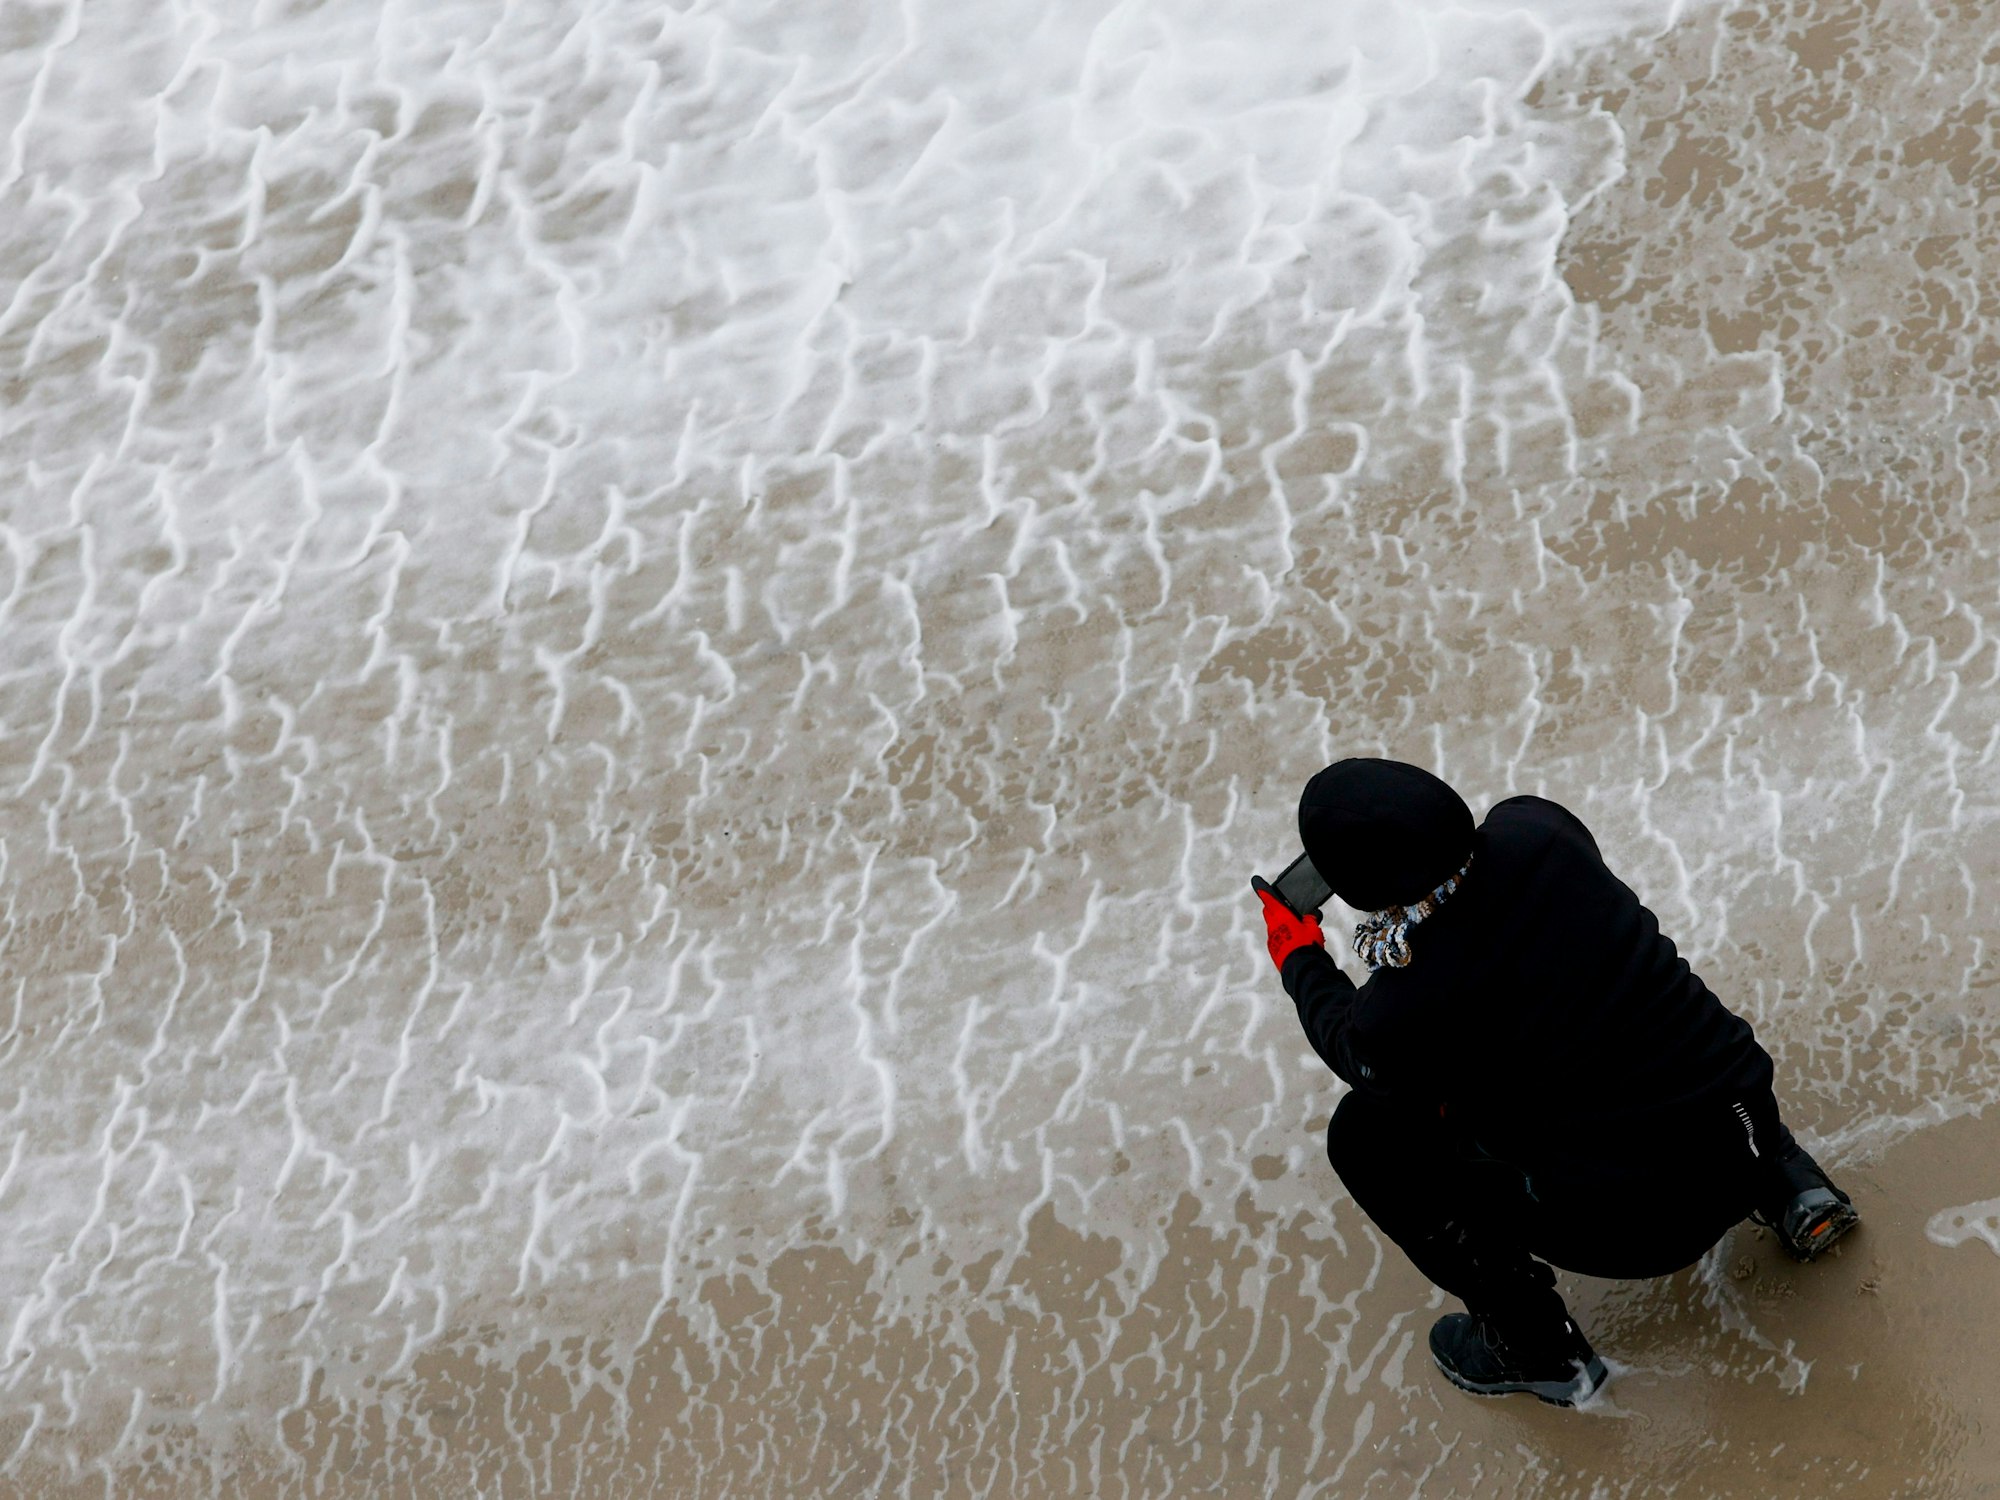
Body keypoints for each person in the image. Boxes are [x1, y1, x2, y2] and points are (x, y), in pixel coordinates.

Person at [1254, 757, 1858, 1407]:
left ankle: (1539, 1348)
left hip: (1646, 1232)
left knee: (1365, 1135)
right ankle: (1793, 1186)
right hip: (1747, 1131)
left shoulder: (1403, 1005)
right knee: (1628, 1016)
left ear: (1361, 886)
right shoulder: (1539, 830)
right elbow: (1507, 937)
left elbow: (1359, 1053)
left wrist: (1299, 959)